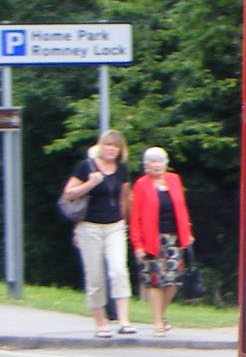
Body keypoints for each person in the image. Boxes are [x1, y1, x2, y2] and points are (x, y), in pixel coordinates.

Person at [62, 129, 135, 339]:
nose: (111, 149)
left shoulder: (121, 170)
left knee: (119, 270)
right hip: (89, 226)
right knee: (95, 277)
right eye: (108, 145)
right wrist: (90, 183)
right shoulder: (85, 167)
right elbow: (68, 194)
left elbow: (124, 197)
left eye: (116, 146)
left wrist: (126, 222)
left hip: (115, 226)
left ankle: (124, 320)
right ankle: (100, 323)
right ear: (101, 147)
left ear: (120, 150)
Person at [128, 146, 196, 337]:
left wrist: (188, 232)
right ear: (146, 166)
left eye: (159, 161)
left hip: (174, 238)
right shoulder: (141, 184)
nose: (156, 165)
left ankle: (161, 314)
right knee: (155, 281)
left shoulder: (174, 180)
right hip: (151, 239)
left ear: (165, 164)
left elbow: (182, 208)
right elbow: (136, 218)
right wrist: (138, 244)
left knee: (173, 281)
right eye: (152, 162)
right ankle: (158, 321)